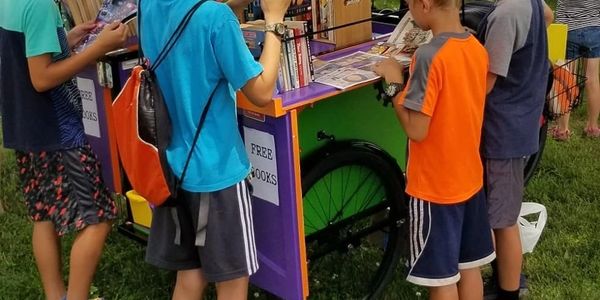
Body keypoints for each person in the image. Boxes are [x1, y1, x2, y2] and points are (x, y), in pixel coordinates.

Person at [138, 0, 300, 299]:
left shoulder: (149, 5)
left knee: (191, 274)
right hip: (218, 172)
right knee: (233, 280)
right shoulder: (215, 18)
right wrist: (274, 19)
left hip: (173, 168)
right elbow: (262, 90)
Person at [0, 0, 128, 299]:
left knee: (43, 215)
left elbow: (27, 53)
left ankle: (55, 295)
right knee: (98, 218)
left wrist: (67, 39)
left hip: (26, 128)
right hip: (56, 132)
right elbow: (42, 78)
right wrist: (97, 49)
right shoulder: (41, 5)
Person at [373, 0, 494, 298]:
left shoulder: (429, 56)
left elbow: (417, 129)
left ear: (424, 4)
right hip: (470, 180)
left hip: (434, 189)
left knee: (441, 279)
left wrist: (393, 84)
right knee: (469, 267)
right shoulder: (477, 48)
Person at [479, 0, 550, 298]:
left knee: (502, 220)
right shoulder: (529, 3)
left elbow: (485, 83)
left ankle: (508, 289)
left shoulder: (507, 15)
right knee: (501, 212)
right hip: (519, 119)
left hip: (502, 132)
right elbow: (549, 15)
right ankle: (506, 279)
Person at [552, 0, 600, 140]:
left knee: (566, 78)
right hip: (594, 28)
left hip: (567, 29)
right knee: (592, 79)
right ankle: (593, 126)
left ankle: (562, 130)